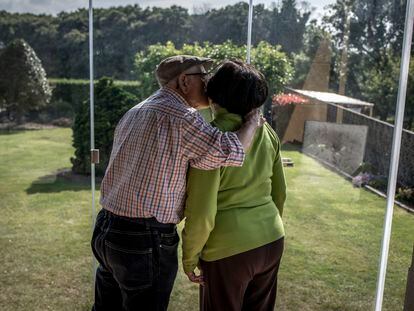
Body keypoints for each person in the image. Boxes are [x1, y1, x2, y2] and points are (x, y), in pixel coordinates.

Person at [90, 55, 264, 311]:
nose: (208, 83)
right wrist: (251, 123)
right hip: (144, 239)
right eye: (203, 76)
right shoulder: (182, 116)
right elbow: (229, 150)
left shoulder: (135, 111)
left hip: (107, 229)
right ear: (184, 81)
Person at [182, 60, 287, 311]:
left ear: (214, 93)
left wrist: (189, 258)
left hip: (228, 249)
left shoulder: (211, 138)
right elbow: (280, 193)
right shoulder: (267, 131)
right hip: (272, 239)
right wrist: (264, 229)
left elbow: (201, 212)